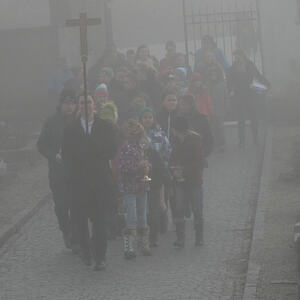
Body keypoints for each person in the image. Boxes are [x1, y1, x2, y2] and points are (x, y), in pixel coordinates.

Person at [61, 93, 118, 271]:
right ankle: (86, 250)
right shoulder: (71, 128)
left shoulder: (105, 126)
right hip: (79, 182)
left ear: (94, 105)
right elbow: (67, 153)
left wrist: (92, 144)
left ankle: (100, 255)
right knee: (80, 220)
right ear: (78, 106)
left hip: (100, 181)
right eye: (82, 103)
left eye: (89, 102)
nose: (85, 105)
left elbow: (110, 150)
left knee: (100, 220)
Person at [37, 89, 77, 250]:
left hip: (76, 171)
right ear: (60, 104)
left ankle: (76, 237)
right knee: (61, 205)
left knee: (76, 204)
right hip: (57, 171)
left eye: (72, 103)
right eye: (66, 103)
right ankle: (66, 230)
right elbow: (41, 145)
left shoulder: (78, 120)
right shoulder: (51, 121)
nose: (69, 107)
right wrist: (54, 156)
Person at [118, 119, 152, 259]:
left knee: (142, 216)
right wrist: (138, 168)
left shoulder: (140, 147)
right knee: (131, 216)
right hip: (130, 187)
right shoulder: (126, 148)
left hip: (141, 187)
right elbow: (124, 169)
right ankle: (129, 246)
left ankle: (143, 243)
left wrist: (147, 167)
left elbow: (145, 162)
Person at [170, 116, 204, 248]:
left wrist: (183, 170)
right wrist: (173, 169)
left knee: (197, 208)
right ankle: (180, 238)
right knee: (178, 208)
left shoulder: (195, 139)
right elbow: (171, 157)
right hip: (179, 181)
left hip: (193, 179)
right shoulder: (174, 140)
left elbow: (199, 161)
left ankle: (199, 237)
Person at [140, 107, 171, 246]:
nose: (147, 119)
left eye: (150, 117)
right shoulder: (137, 134)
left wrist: (162, 165)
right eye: (145, 117)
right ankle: (146, 234)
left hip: (157, 173)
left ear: (153, 119)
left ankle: (160, 226)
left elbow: (167, 149)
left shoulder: (159, 134)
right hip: (141, 174)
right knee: (144, 206)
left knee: (159, 203)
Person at [227, 49, 270, 148]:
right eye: (235, 56)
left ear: (243, 55)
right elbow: (229, 81)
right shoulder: (233, 67)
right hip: (239, 95)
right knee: (241, 119)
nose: (237, 58)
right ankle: (242, 141)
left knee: (253, 117)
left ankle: (255, 138)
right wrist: (230, 90)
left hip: (250, 94)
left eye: (239, 55)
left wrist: (267, 83)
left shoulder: (250, 64)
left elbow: (258, 75)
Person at [202, 51, 227, 151]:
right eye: (211, 73)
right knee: (211, 126)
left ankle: (221, 143)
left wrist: (226, 105)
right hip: (209, 107)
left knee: (219, 126)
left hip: (219, 106)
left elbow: (225, 96)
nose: (213, 74)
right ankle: (214, 143)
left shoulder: (222, 84)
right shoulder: (206, 84)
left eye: (215, 73)